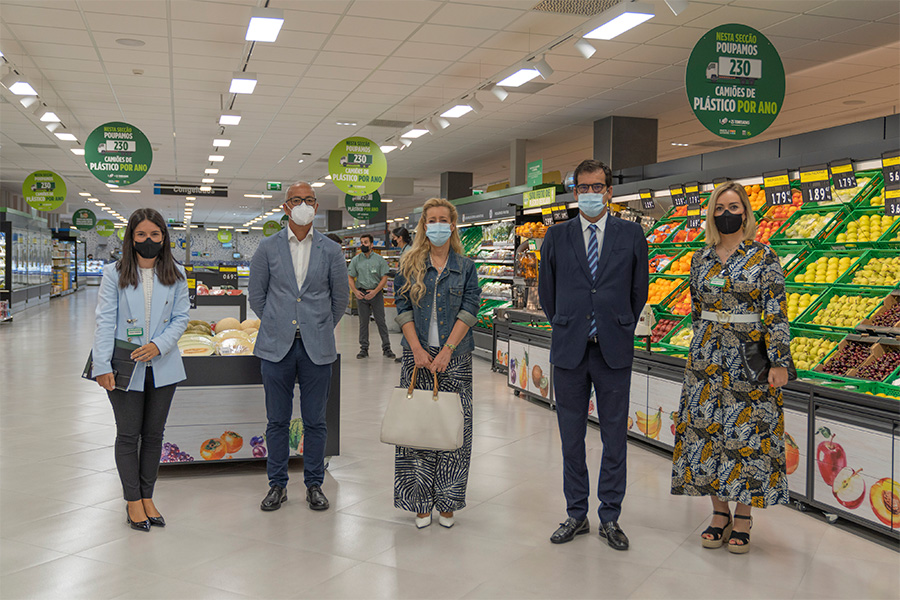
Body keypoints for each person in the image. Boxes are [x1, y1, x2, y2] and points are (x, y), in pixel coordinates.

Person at [671, 181, 792, 554]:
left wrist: (780, 360)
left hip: (748, 358)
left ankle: (743, 515)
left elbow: (776, 311)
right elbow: (694, 309)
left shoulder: (764, 257)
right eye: (720, 208)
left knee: (748, 436)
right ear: (711, 214)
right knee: (706, 433)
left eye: (734, 207)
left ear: (746, 212)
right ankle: (718, 512)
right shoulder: (700, 259)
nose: (727, 214)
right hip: (706, 357)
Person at [538, 159, 648, 551]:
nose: (589, 194)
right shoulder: (556, 236)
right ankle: (575, 513)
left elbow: (639, 293)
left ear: (609, 192)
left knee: (615, 436)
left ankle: (611, 516)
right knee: (571, 437)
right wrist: (570, 322)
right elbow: (547, 293)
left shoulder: (631, 234)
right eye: (582, 188)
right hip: (570, 349)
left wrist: (615, 323)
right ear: (574, 193)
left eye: (596, 187)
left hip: (613, 350)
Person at [249, 182, 349, 513]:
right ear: (286, 206)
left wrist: (316, 325)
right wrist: (281, 323)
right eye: (296, 199)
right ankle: (277, 485)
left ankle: (314, 484)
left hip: (317, 348)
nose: (303, 204)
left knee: (315, 420)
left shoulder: (331, 251)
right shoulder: (267, 248)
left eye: (308, 199)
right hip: (276, 348)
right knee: (276, 420)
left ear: (316, 206)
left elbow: (340, 299)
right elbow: (257, 296)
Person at [92, 208, 189, 532]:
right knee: (128, 434)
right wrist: (101, 365)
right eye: (141, 235)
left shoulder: (176, 272)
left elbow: (181, 318)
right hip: (124, 365)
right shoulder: (114, 273)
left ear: (164, 237)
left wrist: (160, 344)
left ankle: (148, 497)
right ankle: (132, 501)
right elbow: (105, 321)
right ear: (131, 238)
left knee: (154, 435)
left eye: (155, 235)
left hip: (163, 364)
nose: (148, 241)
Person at [393, 198, 481, 529]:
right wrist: (416, 348)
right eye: (432, 219)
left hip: (455, 358)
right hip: (417, 356)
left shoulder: (466, 266)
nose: (438, 225)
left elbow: (470, 307)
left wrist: (448, 348)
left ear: (453, 225)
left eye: (444, 219)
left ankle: (448, 502)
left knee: (453, 427)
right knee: (417, 426)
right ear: (424, 226)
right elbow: (401, 307)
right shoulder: (409, 262)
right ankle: (419, 502)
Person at [348, 234, 395, 360]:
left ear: (372, 244)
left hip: (376, 294)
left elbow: (384, 277)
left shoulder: (379, 260)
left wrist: (375, 291)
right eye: (361, 242)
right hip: (361, 294)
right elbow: (350, 277)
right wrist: (355, 291)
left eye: (366, 242)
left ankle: (387, 348)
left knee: (381, 321)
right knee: (363, 322)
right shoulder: (356, 260)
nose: (363, 245)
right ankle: (364, 349)